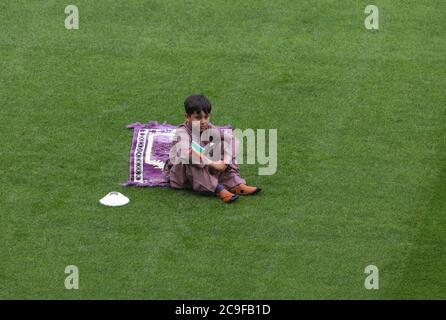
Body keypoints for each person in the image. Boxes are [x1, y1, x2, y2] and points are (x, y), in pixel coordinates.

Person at [164, 94, 261, 203]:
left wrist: (226, 161)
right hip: (183, 174)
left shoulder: (208, 127)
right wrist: (214, 163)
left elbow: (233, 140)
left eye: (206, 117)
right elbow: (187, 154)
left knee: (224, 146)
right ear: (187, 117)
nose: (203, 121)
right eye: (198, 118)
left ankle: (235, 184)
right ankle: (218, 189)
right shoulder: (182, 132)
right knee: (192, 160)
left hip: (205, 163)